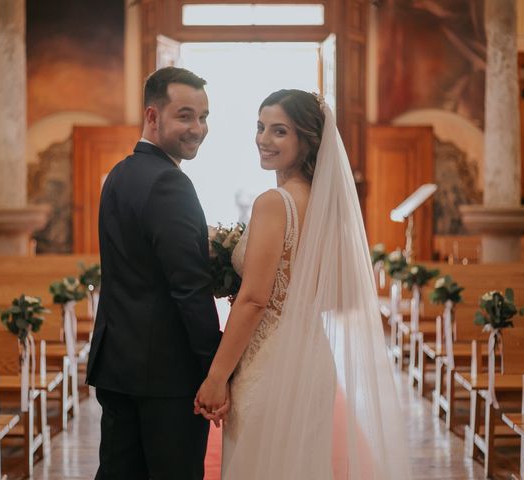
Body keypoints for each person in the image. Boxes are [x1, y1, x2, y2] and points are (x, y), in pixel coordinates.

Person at [195, 90, 411, 479]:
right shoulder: (326, 204)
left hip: (269, 361)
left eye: (279, 131)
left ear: (306, 140)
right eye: (260, 127)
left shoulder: (275, 203)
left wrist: (215, 378)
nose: (263, 139)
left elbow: (254, 300)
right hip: (312, 356)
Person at [87, 66, 223, 480]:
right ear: (152, 116)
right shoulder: (169, 184)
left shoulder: (120, 175)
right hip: (166, 374)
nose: (197, 128)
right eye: (185, 115)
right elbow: (189, 289)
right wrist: (216, 367)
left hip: (118, 363)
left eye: (203, 117)